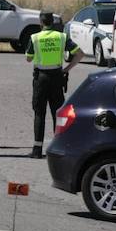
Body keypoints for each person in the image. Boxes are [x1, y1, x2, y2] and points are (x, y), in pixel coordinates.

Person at [26, 11, 83, 158]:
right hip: (57, 76)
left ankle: (37, 149)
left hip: (40, 78)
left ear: (41, 22)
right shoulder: (61, 37)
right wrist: (67, 69)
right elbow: (80, 54)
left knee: (39, 112)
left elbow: (28, 58)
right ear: (53, 22)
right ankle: (58, 148)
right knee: (57, 113)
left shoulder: (35, 38)